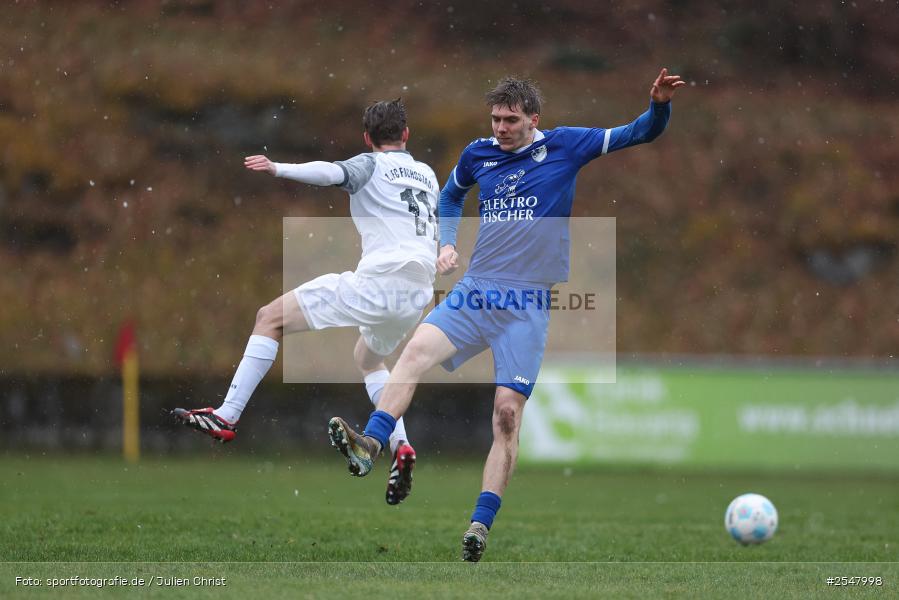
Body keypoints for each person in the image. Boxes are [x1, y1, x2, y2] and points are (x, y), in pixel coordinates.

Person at [327, 70, 685, 559]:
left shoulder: (566, 145)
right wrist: (446, 243)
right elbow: (450, 196)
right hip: (476, 292)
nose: (501, 128)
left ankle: (479, 525)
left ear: (533, 119)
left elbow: (639, 132)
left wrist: (658, 104)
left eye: (511, 120)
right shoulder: (479, 154)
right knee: (412, 354)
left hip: (526, 305)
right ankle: (371, 444)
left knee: (506, 417)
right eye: (495, 119)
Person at [173, 99, 440, 505]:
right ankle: (399, 445)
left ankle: (227, 415)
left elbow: (332, 172)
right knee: (368, 359)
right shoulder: (427, 175)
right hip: (417, 292)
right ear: (406, 135)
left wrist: (279, 168)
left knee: (269, 318)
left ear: (367, 139)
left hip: (380, 281)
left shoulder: (370, 164)